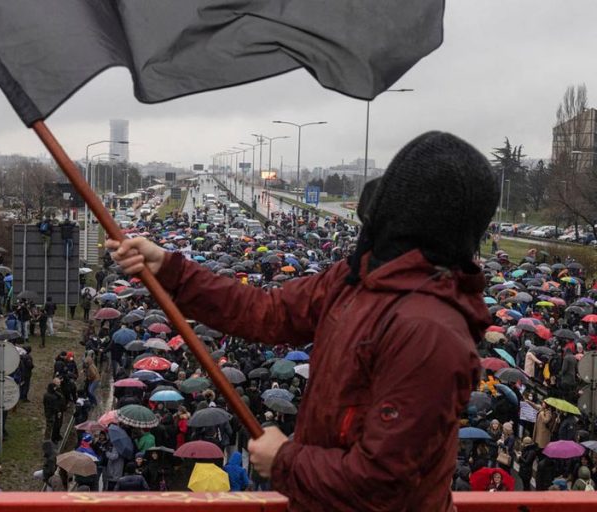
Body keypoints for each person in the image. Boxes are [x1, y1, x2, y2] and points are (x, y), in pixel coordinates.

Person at [106, 132, 500, 510]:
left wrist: (285, 460)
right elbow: (267, 311)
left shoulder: (428, 333)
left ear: (400, 217)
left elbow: (382, 485)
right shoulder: (357, 279)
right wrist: (172, 269)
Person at [43, 379, 65, 443]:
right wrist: (58, 411)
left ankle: (49, 438)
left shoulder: (46, 394)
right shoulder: (53, 397)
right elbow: (54, 406)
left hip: (49, 412)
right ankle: (49, 439)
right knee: (52, 426)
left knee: (51, 426)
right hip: (53, 413)